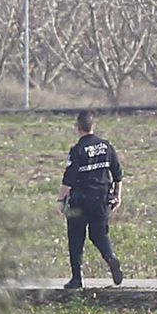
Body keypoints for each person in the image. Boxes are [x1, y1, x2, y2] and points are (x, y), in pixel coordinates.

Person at [58, 111, 123, 290]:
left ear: (78, 127)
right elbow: (118, 174)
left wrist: (60, 200)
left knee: (76, 237)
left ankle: (77, 279)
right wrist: (117, 195)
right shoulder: (107, 146)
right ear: (93, 125)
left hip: (80, 201)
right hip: (102, 198)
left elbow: (68, 180)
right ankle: (110, 257)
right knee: (99, 234)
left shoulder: (77, 150)